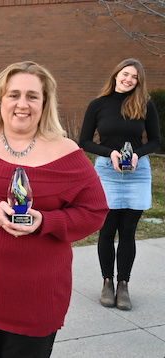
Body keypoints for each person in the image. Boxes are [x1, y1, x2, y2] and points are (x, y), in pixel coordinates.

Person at [0, 61, 108, 357]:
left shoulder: (68, 153)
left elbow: (95, 212)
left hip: (37, 297)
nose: (22, 104)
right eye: (13, 94)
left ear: (45, 102)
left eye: (32, 96)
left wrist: (45, 221)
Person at [79, 58, 161, 311]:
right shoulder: (98, 105)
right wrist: (110, 153)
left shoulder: (144, 104)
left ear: (139, 81)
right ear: (116, 75)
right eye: (125, 74)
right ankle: (107, 283)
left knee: (128, 232)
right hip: (106, 172)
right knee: (107, 229)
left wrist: (138, 154)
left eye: (134, 77)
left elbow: (156, 141)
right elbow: (84, 141)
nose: (129, 79)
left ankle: (123, 285)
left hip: (137, 172)